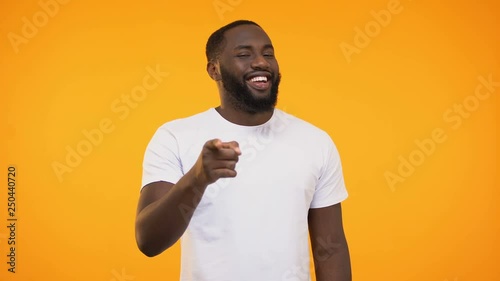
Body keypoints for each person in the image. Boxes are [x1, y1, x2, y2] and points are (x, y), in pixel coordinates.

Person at [135, 20, 352, 281]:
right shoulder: (175, 137)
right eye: (244, 54)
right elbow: (148, 241)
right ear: (214, 70)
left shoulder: (315, 141)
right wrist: (197, 179)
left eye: (268, 53)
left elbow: (330, 249)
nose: (261, 62)